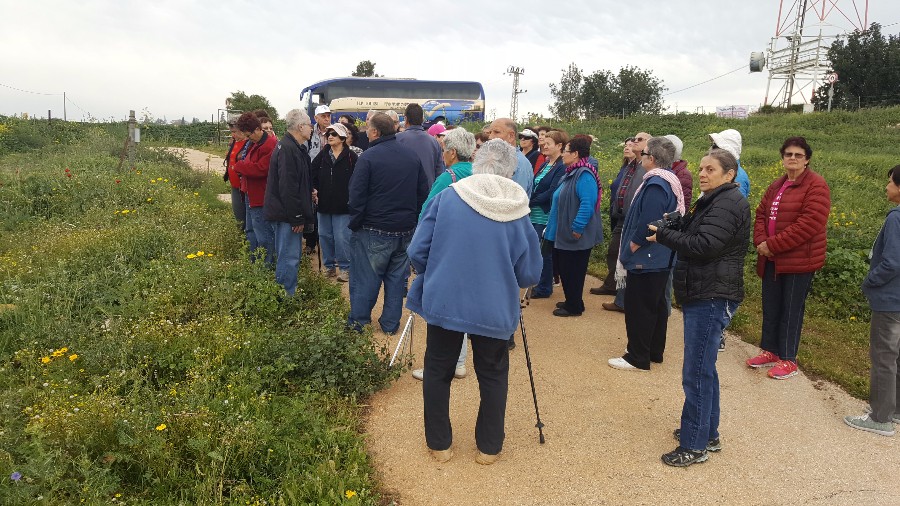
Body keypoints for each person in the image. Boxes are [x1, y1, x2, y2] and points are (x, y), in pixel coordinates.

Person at [407, 138, 542, 465]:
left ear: (478, 162)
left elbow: (416, 252)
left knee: (438, 370)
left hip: (445, 302)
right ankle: (489, 447)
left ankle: (440, 445)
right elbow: (530, 273)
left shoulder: (447, 197)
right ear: (511, 169)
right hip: (494, 309)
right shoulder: (516, 208)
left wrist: (437, 271)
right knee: (493, 375)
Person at [650, 148, 751, 466]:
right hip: (705, 291)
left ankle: (694, 446)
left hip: (711, 295)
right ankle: (707, 433)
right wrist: (676, 225)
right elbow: (698, 234)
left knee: (696, 371)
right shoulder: (713, 201)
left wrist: (666, 235)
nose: (703, 173)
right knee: (704, 369)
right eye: (701, 168)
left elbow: (705, 246)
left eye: (711, 169)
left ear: (729, 174)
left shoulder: (728, 203)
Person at [747, 137, 830, 380]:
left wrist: (772, 245)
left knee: (791, 310)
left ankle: (788, 358)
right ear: (782, 158)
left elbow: (810, 223)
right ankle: (770, 351)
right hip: (771, 258)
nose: (792, 158)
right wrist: (761, 243)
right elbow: (761, 213)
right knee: (771, 306)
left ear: (807, 159)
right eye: (788, 154)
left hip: (798, 261)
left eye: (798, 155)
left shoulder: (817, 185)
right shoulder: (777, 184)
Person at [347, 113, 428, 335]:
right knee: (396, 280)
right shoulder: (411, 156)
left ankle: (359, 323)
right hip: (405, 229)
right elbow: (423, 192)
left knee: (366, 279)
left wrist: (356, 223)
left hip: (374, 228)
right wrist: (412, 220)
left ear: (375, 132)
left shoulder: (369, 157)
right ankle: (390, 325)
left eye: (368, 129)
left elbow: (356, 195)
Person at [608, 136, 684, 371]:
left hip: (648, 256)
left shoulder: (655, 184)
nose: (640, 157)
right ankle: (653, 351)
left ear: (651, 158)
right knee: (656, 304)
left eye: (643, 154)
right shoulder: (669, 180)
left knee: (639, 305)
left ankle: (637, 356)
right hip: (659, 256)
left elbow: (650, 220)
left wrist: (633, 245)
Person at [411, 127, 478, 381]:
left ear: (451, 152)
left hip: (444, 249)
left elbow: (427, 214)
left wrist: (418, 252)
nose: (442, 155)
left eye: (443, 151)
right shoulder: (479, 173)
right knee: (461, 308)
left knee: (441, 311)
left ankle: (440, 366)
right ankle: (460, 362)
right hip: (472, 249)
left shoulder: (447, 177)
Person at [844, 165, 900, 437]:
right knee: (897, 356)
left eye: (890, 182)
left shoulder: (896, 218)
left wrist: (870, 281)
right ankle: (895, 409)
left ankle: (880, 418)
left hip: (890, 300)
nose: (887, 187)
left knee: (884, 357)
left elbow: (891, 262)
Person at [543, 136, 604, 316]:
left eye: (566, 151)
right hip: (564, 232)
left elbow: (588, 203)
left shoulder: (584, 174)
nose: (562, 154)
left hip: (575, 234)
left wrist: (577, 228)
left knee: (573, 270)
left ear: (576, 154)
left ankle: (574, 306)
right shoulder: (572, 172)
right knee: (567, 268)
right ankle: (573, 300)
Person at [594, 133, 650, 308]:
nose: (633, 142)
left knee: (626, 257)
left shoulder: (646, 167)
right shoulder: (631, 165)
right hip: (621, 217)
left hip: (633, 219)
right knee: (614, 252)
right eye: (633, 139)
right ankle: (615, 288)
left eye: (639, 140)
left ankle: (623, 300)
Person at [263, 109, 316, 296]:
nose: (312, 128)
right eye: (310, 125)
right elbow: (287, 187)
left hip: (287, 213)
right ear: (301, 127)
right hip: (287, 215)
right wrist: (297, 218)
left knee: (288, 255)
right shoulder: (287, 149)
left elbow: (297, 181)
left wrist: (309, 191)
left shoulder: (294, 147)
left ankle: (286, 292)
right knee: (289, 256)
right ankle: (286, 297)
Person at [311, 122, 358, 283]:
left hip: (344, 206)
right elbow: (312, 174)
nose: (330, 136)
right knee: (324, 236)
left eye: (334, 134)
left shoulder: (352, 157)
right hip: (323, 205)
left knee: (342, 237)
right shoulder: (323, 154)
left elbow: (358, 181)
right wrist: (314, 189)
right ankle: (329, 267)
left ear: (343, 138)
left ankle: (345, 268)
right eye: (328, 134)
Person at [232, 112, 278, 265]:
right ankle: (254, 261)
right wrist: (244, 165)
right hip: (249, 193)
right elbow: (246, 161)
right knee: (251, 230)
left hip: (261, 196)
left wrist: (240, 166)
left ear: (258, 129)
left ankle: (267, 266)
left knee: (264, 235)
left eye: (249, 135)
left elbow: (261, 169)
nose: (248, 138)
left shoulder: (270, 145)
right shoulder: (254, 142)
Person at [528, 129, 568, 299]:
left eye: (548, 143)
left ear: (559, 146)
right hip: (535, 213)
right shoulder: (546, 163)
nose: (544, 145)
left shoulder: (560, 166)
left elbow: (551, 191)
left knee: (543, 252)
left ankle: (544, 287)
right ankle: (540, 283)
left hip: (545, 214)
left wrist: (530, 201)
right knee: (536, 250)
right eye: (544, 143)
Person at [397, 103, 444, 189]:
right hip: (428, 194)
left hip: (403, 193)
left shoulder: (397, 139)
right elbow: (439, 173)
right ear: (422, 119)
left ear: (406, 119)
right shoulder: (434, 142)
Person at [487, 118, 534, 197]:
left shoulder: (518, 163)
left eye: (496, 132)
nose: (490, 137)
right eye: (490, 132)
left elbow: (514, 201)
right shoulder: (498, 159)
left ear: (511, 136)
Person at [222, 122, 249, 230]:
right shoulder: (234, 142)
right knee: (238, 215)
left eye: (234, 132)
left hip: (244, 187)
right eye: (231, 132)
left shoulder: (248, 144)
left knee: (244, 217)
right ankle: (242, 240)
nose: (233, 135)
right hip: (235, 185)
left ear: (242, 130)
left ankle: (247, 242)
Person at [709, 129, 749, 198]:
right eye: (712, 145)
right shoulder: (719, 169)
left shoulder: (738, 177)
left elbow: (735, 205)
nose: (711, 149)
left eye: (715, 146)